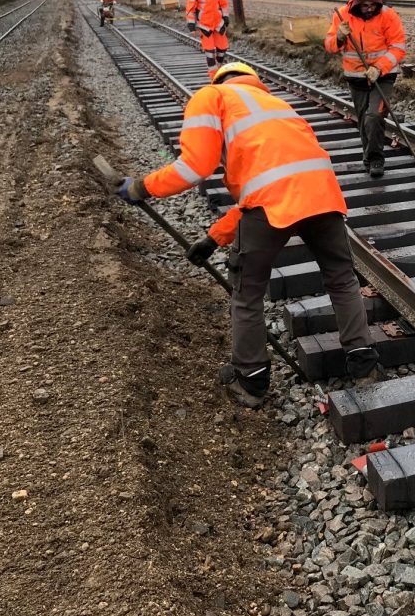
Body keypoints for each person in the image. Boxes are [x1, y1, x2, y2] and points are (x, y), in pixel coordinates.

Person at [115, 63, 381, 406]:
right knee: (342, 280)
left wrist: (141, 187)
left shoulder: (211, 96)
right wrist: (214, 238)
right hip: (324, 197)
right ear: (250, 80)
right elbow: (271, 184)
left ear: (219, 80)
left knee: (247, 292)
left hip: (270, 208)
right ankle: (363, 364)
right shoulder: (277, 105)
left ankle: (252, 380)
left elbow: (195, 167)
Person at [324, 0, 407, 178]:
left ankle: (376, 159)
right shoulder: (342, 16)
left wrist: (379, 67)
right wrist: (340, 38)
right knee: (363, 121)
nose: (370, 8)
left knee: (374, 116)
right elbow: (329, 46)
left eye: (372, 4)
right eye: (365, 5)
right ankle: (368, 157)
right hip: (356, 78)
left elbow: (398, 47)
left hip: (383, 76)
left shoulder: (388, 15)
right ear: (356, 2)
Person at [185, 0, 230, 78]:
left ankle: (219, 69)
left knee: (222, 49)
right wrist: (191, 25)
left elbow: (223, 3)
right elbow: (190, 9)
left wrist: (226, 17)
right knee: (210, 53)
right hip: (206, 26)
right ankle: (213, 76)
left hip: (218, 24)